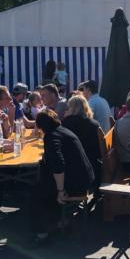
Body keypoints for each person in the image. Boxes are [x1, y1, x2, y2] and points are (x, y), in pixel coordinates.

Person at [30, 110, 95, 246]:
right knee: (43, 185)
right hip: (85, 177)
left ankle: (42, 235)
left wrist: (60, 191)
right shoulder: (63, 130)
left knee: (36, 194)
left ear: (40, 126)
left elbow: (58, 164)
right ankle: (60, 220)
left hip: (77, 184)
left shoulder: (51, 136)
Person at [62, 95, 103, 189]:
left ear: (72, 108)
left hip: (73, 165)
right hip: (92, 164)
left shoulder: (67, 123)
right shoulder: (94, 124)